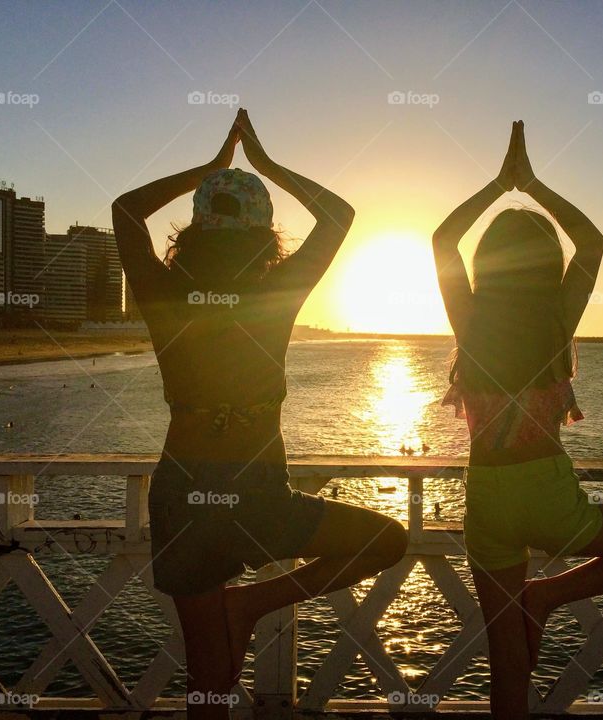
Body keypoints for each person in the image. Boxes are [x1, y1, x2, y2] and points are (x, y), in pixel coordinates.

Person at [112, 108, 408, 719]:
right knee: (385, 541)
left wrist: (211, 168)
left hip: (185, 486)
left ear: (193, 232)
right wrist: (266, 164)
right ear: (264, 235)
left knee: (206, 680)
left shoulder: (165, 293)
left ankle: (243, 610)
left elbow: (124, 210)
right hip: (257, 492)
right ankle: (251, 606)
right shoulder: (279, 291)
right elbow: (339, 215)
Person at [433, 121, 603, 719]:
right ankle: (546, 597)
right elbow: (591, 241)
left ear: (487, 267)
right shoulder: (555, 324)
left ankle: (536, 607)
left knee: (506, 674)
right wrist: (533, 184)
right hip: (550, 497)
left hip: (486, 501)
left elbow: (444, 240)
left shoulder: (470, 326)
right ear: (549, 268)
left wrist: (500, 186)